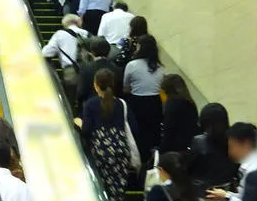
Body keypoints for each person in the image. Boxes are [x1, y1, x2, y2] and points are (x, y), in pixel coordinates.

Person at [82, 69, 134, 201]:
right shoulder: (121, 103)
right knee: (116, 191)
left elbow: (86, 129)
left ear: (96, 85)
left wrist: (79, 123)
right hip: (121, 151)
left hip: (101, 152)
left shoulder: (90, 104)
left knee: (100, 188)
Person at [188, 102, 238, 201]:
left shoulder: (199, 141)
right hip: (226, 195)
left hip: (204, 196)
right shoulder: (232, 141)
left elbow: (189, 167)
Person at [206, 122, 257, 201]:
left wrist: (226, 196)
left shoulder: (255, 171)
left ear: (245, 144)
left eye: (232, 146)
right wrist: (224, 194)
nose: (230, 152)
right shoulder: (248, 166)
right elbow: (245, 197)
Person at [123, 34, 165, 163]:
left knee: (139, 134)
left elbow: (125, 88)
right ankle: (153, 162)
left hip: (137, 104)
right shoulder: (161, 67)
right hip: (156, 103)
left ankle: (139, 162)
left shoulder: (132, 65)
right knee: (153, 133)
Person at [41, 14, 85, 109]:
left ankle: (71, 117)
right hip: (87, 71)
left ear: (65, 23)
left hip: (70, 71)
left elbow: (46, 52)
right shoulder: (86, 33)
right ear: (77, 22)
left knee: (70, 98)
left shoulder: (60, 34)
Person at [159, 73, 199, 153]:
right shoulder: (189, 101)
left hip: (177, 150)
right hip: (191, 145)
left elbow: (168, 133)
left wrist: (160, 151)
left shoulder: (171, 105)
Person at [76, 37, 118, 109]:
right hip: (113, 106)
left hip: (92, 107)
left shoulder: (86, 69)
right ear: (109, 51)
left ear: (92, 52)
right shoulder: (117, 69)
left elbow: (81, 92)